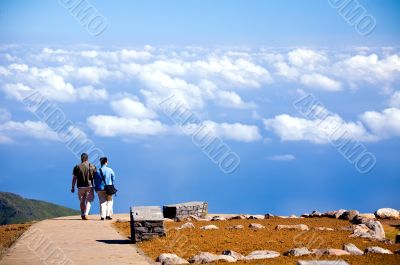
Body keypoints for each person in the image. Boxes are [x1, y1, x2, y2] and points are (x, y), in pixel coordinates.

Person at [71, 153, 96, 220]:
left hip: (80, 187)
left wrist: (73, 187)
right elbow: (95, 177)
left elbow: (74, 178)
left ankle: (82, 213)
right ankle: (86, 214)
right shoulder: (92, 166)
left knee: (82, 200)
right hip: (89, 186)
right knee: (89, 200)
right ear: (87, 158)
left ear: (81, 158)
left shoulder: (77, 167)